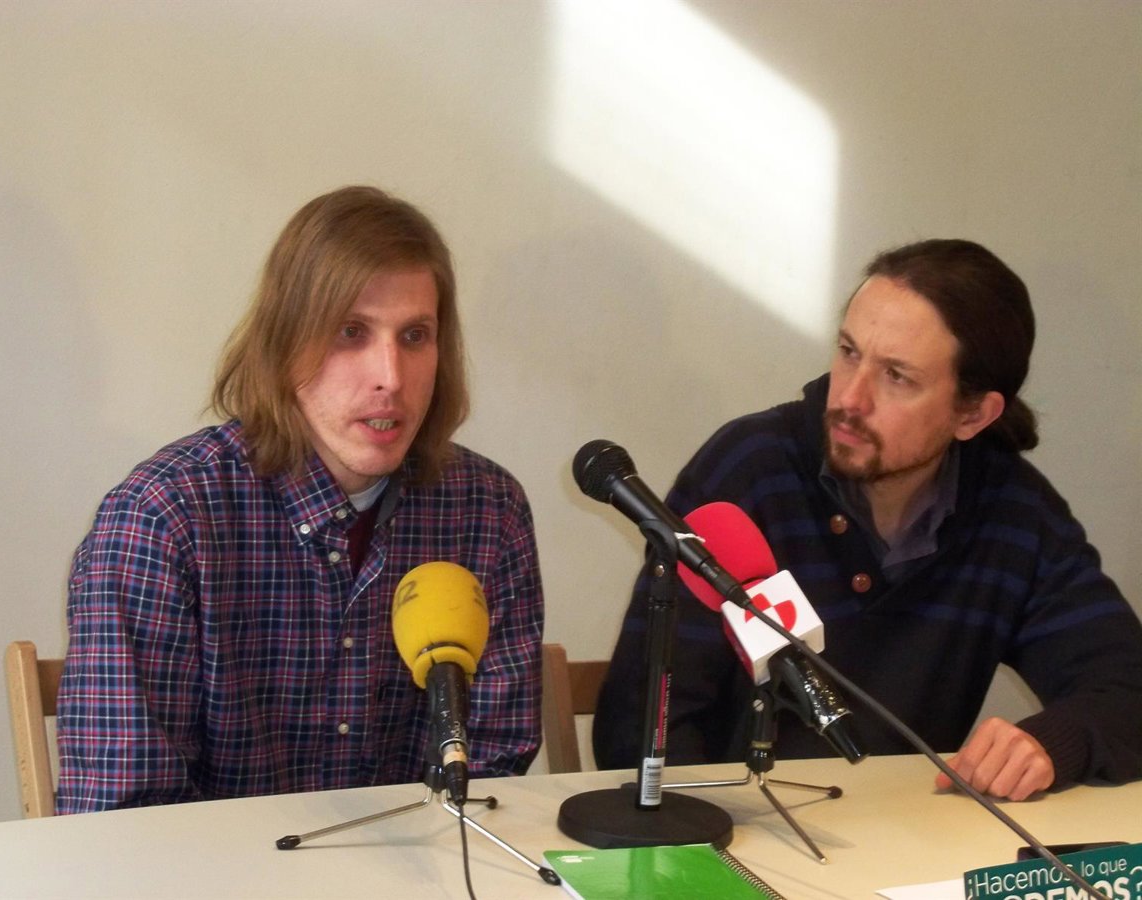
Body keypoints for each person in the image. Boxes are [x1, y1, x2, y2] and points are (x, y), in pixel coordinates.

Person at [593, 239, 1142, 801]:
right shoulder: (748, 473)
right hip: (736, 828)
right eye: (849, 353)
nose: (850, 400)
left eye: (897, 377)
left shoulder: (1013, 511)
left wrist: (1053, 744)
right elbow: (641, 725)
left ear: (974, 413)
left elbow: (1125, 684)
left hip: (912, 838)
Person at [56, 186, 544, 813]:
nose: (390, 377)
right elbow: (124, 816)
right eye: (351, 332)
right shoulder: (161, 519)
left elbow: (493, 777)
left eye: (415, 336)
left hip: (421, 865)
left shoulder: (487, 510)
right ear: (285, 344)